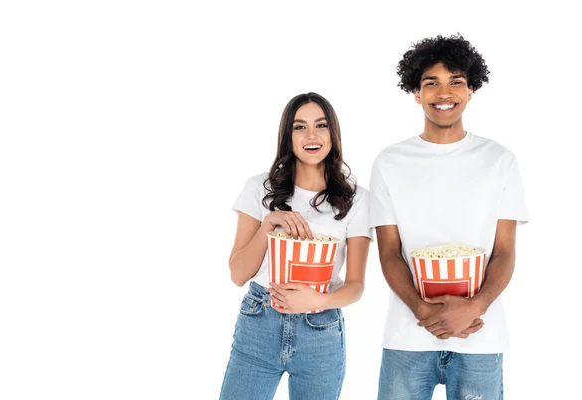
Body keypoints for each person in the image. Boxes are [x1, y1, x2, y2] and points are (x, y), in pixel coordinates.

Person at [369, 34, 528, 400]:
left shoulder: (500, 160)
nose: (445, 93)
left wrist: (475, 306)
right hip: (407, 337)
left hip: (480, 334)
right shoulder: (389, 162)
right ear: (416, 92)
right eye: (432, 83)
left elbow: (504, 251)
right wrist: (423, 310)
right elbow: (390, 253)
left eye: (456, 81)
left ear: (471, 90)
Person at [220, 92, 372, 400]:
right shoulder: (259, 189)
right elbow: (238, 274)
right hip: (259, 322)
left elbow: (355, 286)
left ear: (334, 134)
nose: (311, 135)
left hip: (320, 328)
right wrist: (268, 225)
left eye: (321, 125)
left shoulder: (357, 199)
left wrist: (315, 300)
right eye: (300, 127)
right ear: (287, 136)